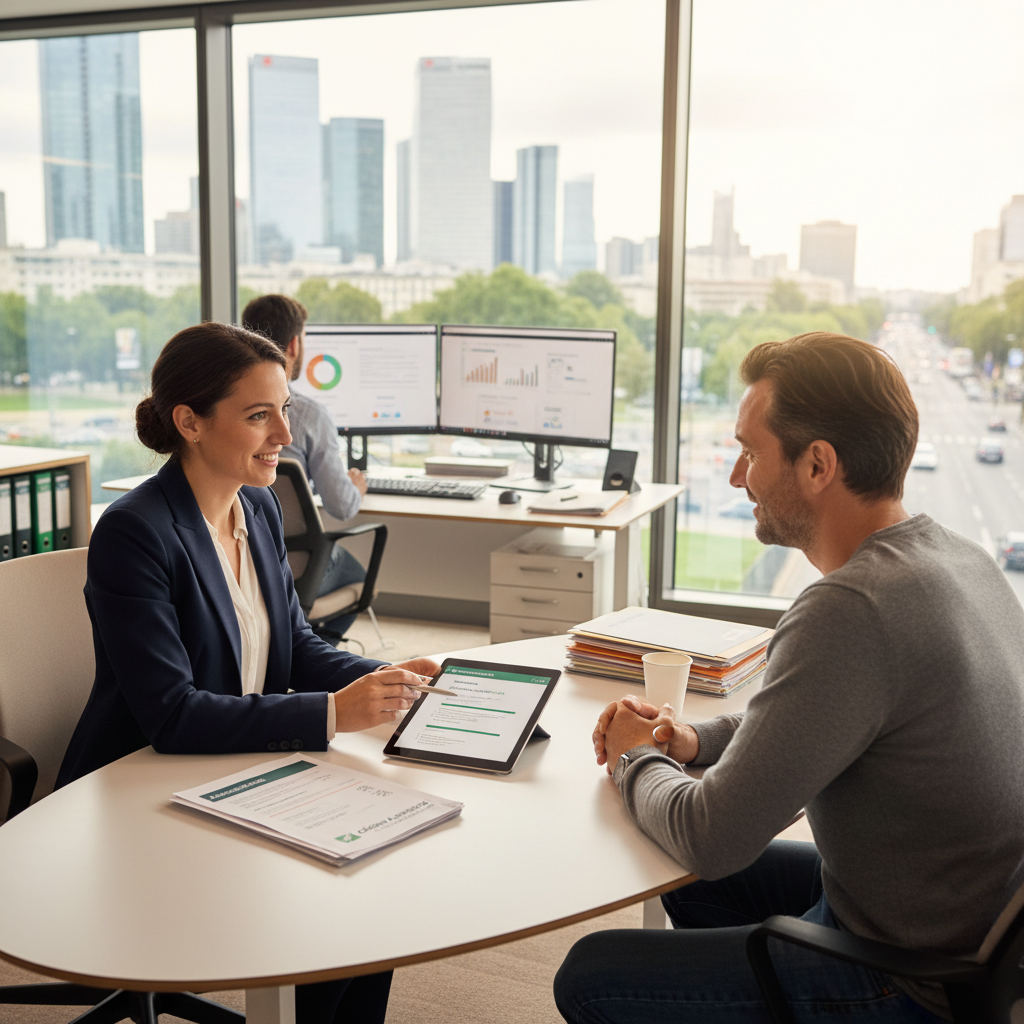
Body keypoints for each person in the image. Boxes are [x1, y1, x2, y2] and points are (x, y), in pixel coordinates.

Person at [554, 331, 1024, 1023]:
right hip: (960, 929)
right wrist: (693, 740)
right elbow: (832, 713)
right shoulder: (959, 559)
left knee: (589, 974)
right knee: (679, 881)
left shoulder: (852, 608)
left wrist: (635, 756)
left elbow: (712, 837)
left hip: (916, 978)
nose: (738, 476)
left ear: (818, 465)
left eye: (751, 451)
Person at [57, 322, 439, 1024]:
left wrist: (385, 681)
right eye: (259, 415)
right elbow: (173, 715)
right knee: (333, 903)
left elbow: (292, 646)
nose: (284, 435)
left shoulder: (257, 504)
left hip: (235, 769)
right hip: (142, 787)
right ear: (189, 422)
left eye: (284, 410)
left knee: (376, 884)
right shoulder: (135, 531)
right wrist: (333, 714)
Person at [242, 293, 367, 639]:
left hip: (239, 552)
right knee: (359, 576)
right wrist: (355, 487)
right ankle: (310, 653)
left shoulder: (230, 412)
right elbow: (342, 507)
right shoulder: (310, 415)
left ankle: (296, 651)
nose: (280, 434)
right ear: (295, 344)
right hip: (289, 561)